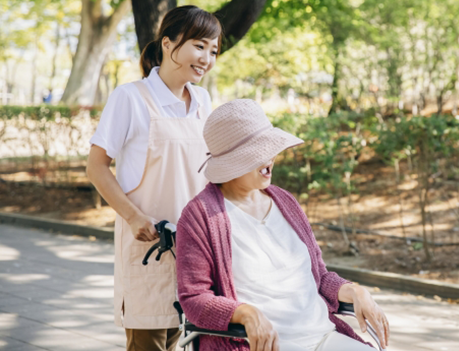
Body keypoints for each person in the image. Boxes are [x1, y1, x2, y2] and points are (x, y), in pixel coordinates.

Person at [176, 99, 390, 351]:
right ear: (233, 159)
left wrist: (354, 291)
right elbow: (194, 298)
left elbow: (319, 277)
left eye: (271, 148)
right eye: (259, 150)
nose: (271, 157)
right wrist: (244, 313)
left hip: (323, 337)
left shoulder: (285, 201)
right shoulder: (200, 215)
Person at [85, 6, 222, 351]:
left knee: (184, 339)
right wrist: (133, 217)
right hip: (148, 245)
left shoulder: (203, 100)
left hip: (194, 249)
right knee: (149, 343)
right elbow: (96, 166)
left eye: (214, 50)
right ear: (168, 42)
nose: (207, 57)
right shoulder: (130, 98)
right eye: (200, 46)